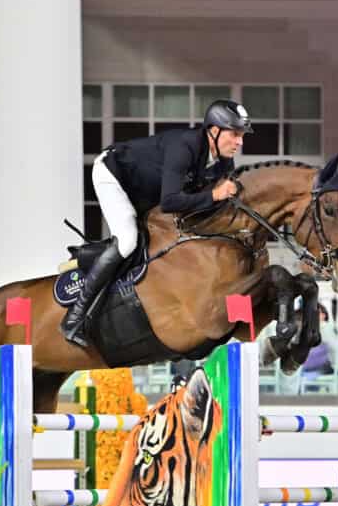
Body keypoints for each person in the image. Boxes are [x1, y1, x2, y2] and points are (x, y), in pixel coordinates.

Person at [61, 99, 252, 345]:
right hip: (114, 174)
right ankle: (74, 318)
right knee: (129, 241)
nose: (240, 142)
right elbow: (171, 202)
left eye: (242, 135)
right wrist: (215, 194)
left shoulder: (224, 161)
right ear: (214, 131)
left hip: (146, 192)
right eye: (235, 134)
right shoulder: (186, 147)